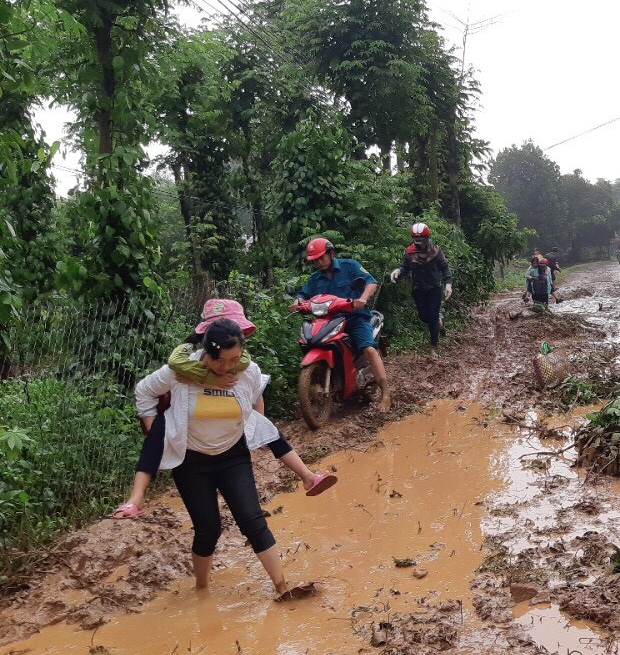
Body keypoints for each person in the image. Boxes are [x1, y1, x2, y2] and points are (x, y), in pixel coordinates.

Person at [130, 319, 312, 599]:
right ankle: (201, 590)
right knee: (208, 529)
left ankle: (282, 587)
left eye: (235, 359)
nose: (229, 367)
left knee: (253, 520)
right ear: (207, 354)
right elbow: (144, 391)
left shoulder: (247, 371)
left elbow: (253, 400)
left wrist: (255, 430)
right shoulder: (180, 373)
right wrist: (153, 429)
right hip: (191, 463)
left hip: (233, 455)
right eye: (221, 361)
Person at [112, 300, 336, 520]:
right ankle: (137, 496)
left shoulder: (244, 366)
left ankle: (307, 475)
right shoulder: (184, 367)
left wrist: (256, 424)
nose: (228, 365)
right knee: (156, 434)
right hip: (187, 438)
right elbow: (152, 384)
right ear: (209, 340)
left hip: (229, 440)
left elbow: (255, 394)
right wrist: (149, 421)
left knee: (268, 430)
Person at [298, 237, 391, 412]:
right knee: (310, 342)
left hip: (355, 318)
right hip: (328, 321)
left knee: (369, 349)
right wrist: (298, 302)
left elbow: (371, 282)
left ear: (331, 253)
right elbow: (303, 295)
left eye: (321, 258)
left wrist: (362, 298)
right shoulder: (314, 279)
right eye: (315, 260)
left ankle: (386, 393)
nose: (319, 262)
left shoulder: (350, 266)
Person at [389, 222, 453, 349]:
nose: (419, 243)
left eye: (421, 240)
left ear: (427, 239)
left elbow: (444, 268)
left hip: (434, 288)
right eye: (416, 240)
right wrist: (398, 271)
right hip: (418, 289)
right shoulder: (409, 252)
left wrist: (448, 284)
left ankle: (433, 344)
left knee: (432, 318)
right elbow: (405, 267)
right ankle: (440, 320)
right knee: (424, 317)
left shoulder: (435, 251)